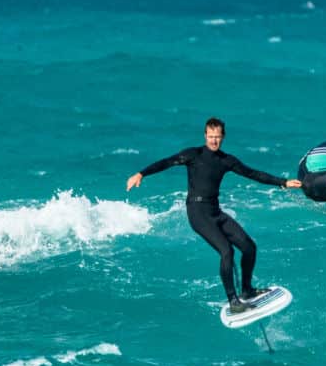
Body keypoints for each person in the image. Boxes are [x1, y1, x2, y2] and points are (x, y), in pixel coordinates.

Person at [126, 118, 302, 313]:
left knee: (249, 247)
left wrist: (283, 182)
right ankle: (234, 301)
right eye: (211, 137)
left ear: (223, 137)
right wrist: (141, 174)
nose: (214, 141)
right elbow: (167, 162)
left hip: (215, 211)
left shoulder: (226, 160)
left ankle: (247, 290)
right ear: (205, 136)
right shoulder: (193, 154)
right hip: (197, 212)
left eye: (217, 137)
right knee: (227, 251)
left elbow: (252, 174)